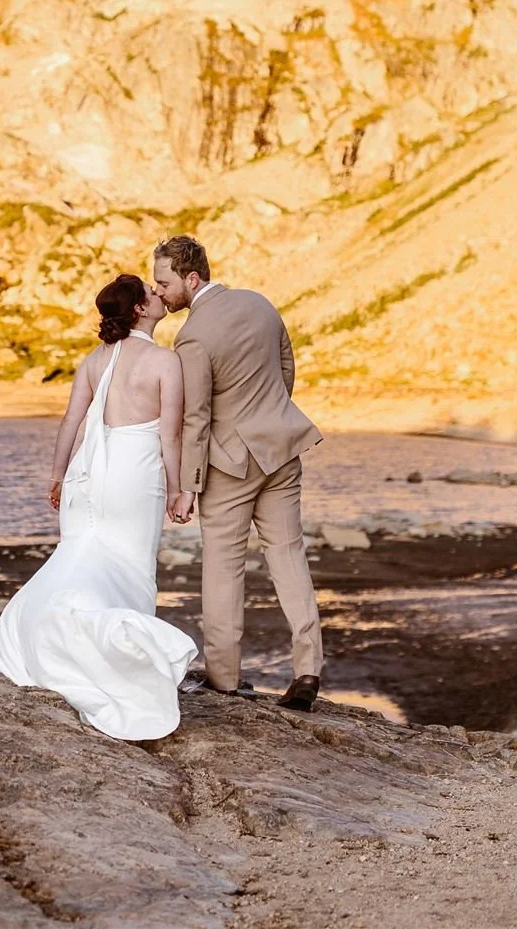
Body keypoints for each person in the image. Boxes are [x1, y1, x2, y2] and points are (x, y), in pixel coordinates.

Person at [0, 273, 200, 740]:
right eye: (150, 293)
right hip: (131, 474)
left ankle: (55, 636)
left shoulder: (92, 360)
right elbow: (170, 435)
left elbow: (71, 419)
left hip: (87, 473)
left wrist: (58, 475)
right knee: (131, 566)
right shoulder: (166, 361)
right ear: (140, 310)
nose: (158, 296)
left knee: (83, 554)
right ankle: (123, 658)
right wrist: (179, 488)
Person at [152, 235, 325, 711]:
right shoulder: (261, 304)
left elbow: (197, 416)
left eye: (164, 282)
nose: (160, 292)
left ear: (192, 278)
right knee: (289, 555)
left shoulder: (192, 336)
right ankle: (308, 668)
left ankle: (224, 679)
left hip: (230, 464)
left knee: (224, 569)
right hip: (282, 448)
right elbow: (286, 368)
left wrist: (188, 486)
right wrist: (268, 415)